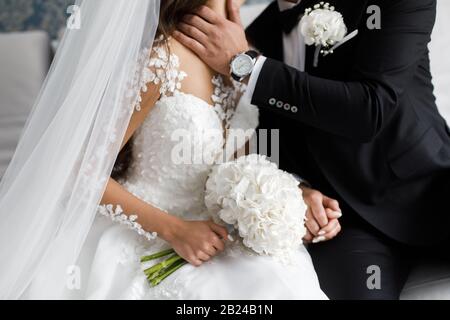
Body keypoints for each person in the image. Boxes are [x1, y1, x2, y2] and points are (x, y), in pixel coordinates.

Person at [0, 0, 326, 300]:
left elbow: (246, 158)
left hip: (221, 232)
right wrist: (175, 230)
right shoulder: (162, 61)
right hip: (150, 228)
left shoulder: (250, 57)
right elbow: (80, 171)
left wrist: (290, 195)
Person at [175, 0, 450, 299]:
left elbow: (370, 110)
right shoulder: (252, 33)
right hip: (343, 219)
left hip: (428, 188)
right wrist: (296, 189)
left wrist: (248, 66)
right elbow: (264, 132)